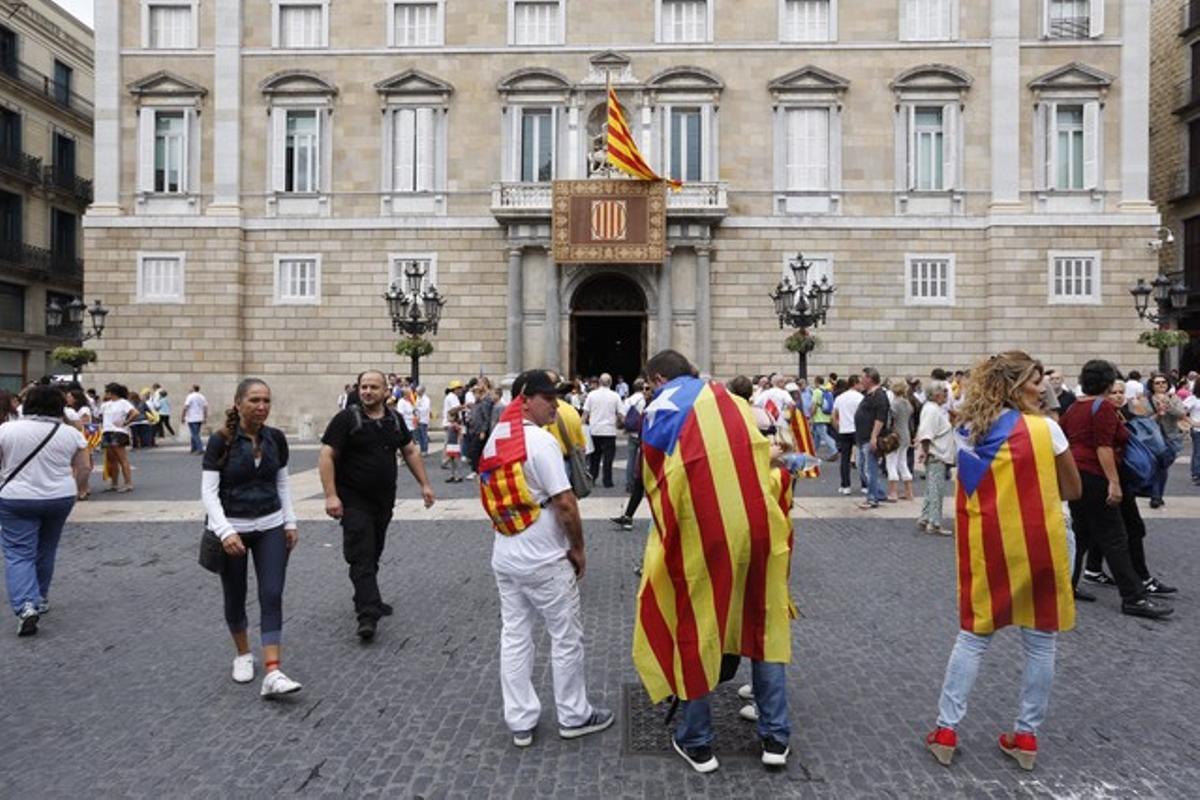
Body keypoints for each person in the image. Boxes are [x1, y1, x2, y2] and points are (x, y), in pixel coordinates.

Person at [633, 350, 795, 773]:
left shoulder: (662, 408)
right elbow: (767, 460)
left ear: (658, 377)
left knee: (697, 626)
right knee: (765, 626)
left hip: (703, 534)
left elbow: (654, 482)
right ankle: (776, 738)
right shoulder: (737, 403)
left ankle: (697, 740)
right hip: (760, 529)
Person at [925, 352, 1081, 772]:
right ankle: (1026, 735)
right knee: (1041, 639)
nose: (1043, 385)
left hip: (991, 541)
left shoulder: (970, 431)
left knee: (974, 636)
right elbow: (1073, 488)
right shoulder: (1047, 429)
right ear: (1015, 385)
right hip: (1044, 539)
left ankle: (946, 730)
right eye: (1035, 379)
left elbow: (971, 488)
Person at [481, 369, 613, 748]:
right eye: (548, 398)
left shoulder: (497, 438)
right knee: (566, 637)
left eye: (557, 398)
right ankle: (574, 714)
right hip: (544, 556)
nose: (555, 405)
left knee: (516, 635)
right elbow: (566, 503)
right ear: (525, 399)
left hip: (505, 552)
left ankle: (520, 720)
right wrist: (579, 548)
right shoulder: (539, 441)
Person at [202, 378, 302, 696]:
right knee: (235, 593)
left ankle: (273, 671)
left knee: (271, 594)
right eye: (255, 400)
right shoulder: (221, 441)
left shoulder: (276, 439)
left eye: (266, 401)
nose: (262, 407)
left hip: (271, 525)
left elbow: (282, 484)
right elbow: (208, 492)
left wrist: (290, 521)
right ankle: (243, 654)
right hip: (233, 529)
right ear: (238, 402)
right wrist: (225, 530)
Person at [320, 370, 435, 642]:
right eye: (363, 387)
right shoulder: (347, 418)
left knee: (374, 551)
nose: (367, 391)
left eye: (373, 387)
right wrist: (331, 495)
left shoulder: (394, 419)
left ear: (386, 391)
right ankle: (368, 613)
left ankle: (369, 595)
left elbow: (409, 450)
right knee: (361, 552)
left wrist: (425, 484)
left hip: (383, 499)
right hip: (353, 499)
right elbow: (327, 454)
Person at [1058, 360, 1172, 620]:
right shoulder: (1103, 408)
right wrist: (1114, 482)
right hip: (1097, 477)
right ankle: (1133, 597)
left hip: (1078, 477)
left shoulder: (1075, 408)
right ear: (1108, 383)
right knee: (1115, 537)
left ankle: (1067, 586)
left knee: (1083, 534)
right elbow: (1103, 447)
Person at [0, 386, 89, 636]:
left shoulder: (6, 430)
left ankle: (26, 605)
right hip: (59, 497)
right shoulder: (70, 434)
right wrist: (76, 489)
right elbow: (83, 468)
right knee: (47, 548)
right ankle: (41, 597)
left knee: (18, 552)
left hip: (16, 498)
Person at [1081, 380, 1178, 597]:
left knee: (1095, 530)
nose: (1117, 396)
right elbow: (1104, 447)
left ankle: (1093, 569)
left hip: (1112, 478)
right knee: (1131, 529)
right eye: (1112, 392)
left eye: (1120, 392)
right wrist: (1114, 483)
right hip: (1110, 478)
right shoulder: (1103, 413)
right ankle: (1141, 580)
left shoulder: (1120, 413)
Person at [611, 381, 654, 531]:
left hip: (652, 452)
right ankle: (628, 517)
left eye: (648, 388)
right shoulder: (646, 405)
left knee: (648, 487)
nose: (645, 391)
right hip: (644, 450)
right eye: (644, 389)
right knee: (638, 485)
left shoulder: (655, 407)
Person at [915, 380, 955, 535]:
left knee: (931, 488)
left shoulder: (933, 409)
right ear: (937, 394)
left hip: (937, 454)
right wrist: (925, 451)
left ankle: (925, 517)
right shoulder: (932, 410)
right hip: (937, 454)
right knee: (936, 490)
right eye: (945, 391)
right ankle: (934, 523)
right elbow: (926, 434)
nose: (947, 394)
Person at [1143, 372, 1188, 509]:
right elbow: (1144, 420)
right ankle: (1155, 496)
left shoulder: (1174, 398)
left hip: (1171, 438)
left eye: (1163, 382)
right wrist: (1157, 414)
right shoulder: (1147, 400)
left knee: (1163, 467)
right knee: (1157, 466)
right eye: (1157, 383)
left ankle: (1157, 494)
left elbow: (1181, 414)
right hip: (1153, 438)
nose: (1161, 385)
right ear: (1152, 385)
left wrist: (1168, 406)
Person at [854, 368, 890, 509]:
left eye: (862, 377)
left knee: (870, 468)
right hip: (862, 437)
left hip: (870, 438)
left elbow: (880, 418)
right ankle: (878, 492)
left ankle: (872, 497)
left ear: (870, 378)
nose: (860, 380)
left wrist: (874, 436)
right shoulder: (869, 394)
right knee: (862, 467)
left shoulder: (879, 395)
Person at [582, 373, 621, 488]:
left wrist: (581, 426)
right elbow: (620, 413)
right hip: (609, 431)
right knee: (608, 458)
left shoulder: (592, 395)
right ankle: (607, 481)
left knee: (594, 457)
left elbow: (585, 413)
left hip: (595, 430)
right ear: (610, 382)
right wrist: (622, 423)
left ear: (599, 382)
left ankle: (593, 478)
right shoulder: (615, 396)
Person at [99, 383, 137, 493]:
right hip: (107, 431)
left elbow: (135, 413)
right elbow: (99, 416)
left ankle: (128, 483)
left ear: (111, 392)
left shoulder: (123, 403)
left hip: (118, 432)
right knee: (111, 460)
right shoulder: (105, 404)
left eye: (107, 392)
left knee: (122, 458)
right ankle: (114, 483)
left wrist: (125, 422)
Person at [831, 377, 863, 495]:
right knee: (861, 458)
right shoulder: (861, 398)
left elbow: (833, 416)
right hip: (858, 430)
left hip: (844, 430)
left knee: (844, 459)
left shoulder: (840, 398)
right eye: (860, 383)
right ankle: (864, 485)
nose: (862, 386)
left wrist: (838, 428)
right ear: (855, 384)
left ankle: (845, 485)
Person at [886, 378, 915, 502]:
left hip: (895, 435)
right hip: (906, 435)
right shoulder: (907, 403)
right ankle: (908, 492)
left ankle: (893, 492)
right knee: (902, 463)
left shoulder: (894, 404)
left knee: (891, 463)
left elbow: (889, 422)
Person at [184, 385, 208, 454]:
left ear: (193, 389)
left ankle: (199, 448)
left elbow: (186, 406)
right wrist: (205, 417)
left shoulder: (190, 396)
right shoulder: (202, 396)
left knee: (195, 434)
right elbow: (205, 407)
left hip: (192, 418)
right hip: (200, 417)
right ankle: (193, 448)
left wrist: (183, 416)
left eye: (191, 387)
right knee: (194, 433)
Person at [414, 385, 431, 456]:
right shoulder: (418, 398)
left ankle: (425, 449)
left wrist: (417, 409)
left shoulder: (426, 399)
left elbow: (426, 408)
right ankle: (421, 449)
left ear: (422, 391)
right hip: (417, 419)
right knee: (419, 436)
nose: (417, 393)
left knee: (424, 435)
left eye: (418, 392)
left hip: (423, 419)